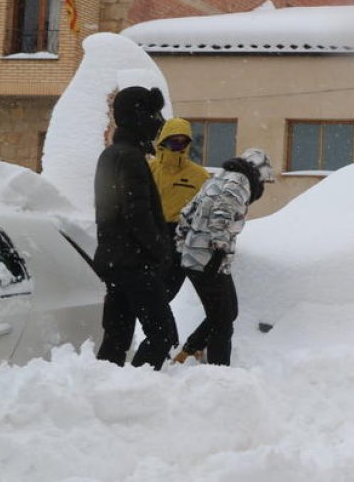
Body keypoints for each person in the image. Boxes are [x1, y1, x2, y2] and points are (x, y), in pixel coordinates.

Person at [93, 86, 178, 370]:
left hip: (117, 261)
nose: (158, 122)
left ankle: (107, 386)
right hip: (134, 263)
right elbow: (136, 214)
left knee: (117, 336)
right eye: (154, 114)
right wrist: (160, 250)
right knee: (162, 334)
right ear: (138, 117)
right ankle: (138, 385)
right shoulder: (129, 157)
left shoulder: (113, 154)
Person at [173, 148, 275, 366]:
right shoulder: (241, 181)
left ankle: (191, 349)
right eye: (264, 181)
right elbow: (223, 213)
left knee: (228, 312)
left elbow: (187, 212)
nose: (262, 186)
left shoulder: (219, 178)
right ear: (257, 172)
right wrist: (217, 251)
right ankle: (219, 372)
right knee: (222, 323)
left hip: (197, 258)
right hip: (209, 260)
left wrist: (183, 246)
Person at [148, 118, 209, 301]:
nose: (179, 145)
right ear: (164, 140)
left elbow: (207, 208)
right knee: (147, 294)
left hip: (180, 238)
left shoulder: (199, 175)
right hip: (151, 234)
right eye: (174, 140)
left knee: (166, 294)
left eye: (184, 141)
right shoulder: (149, 169)